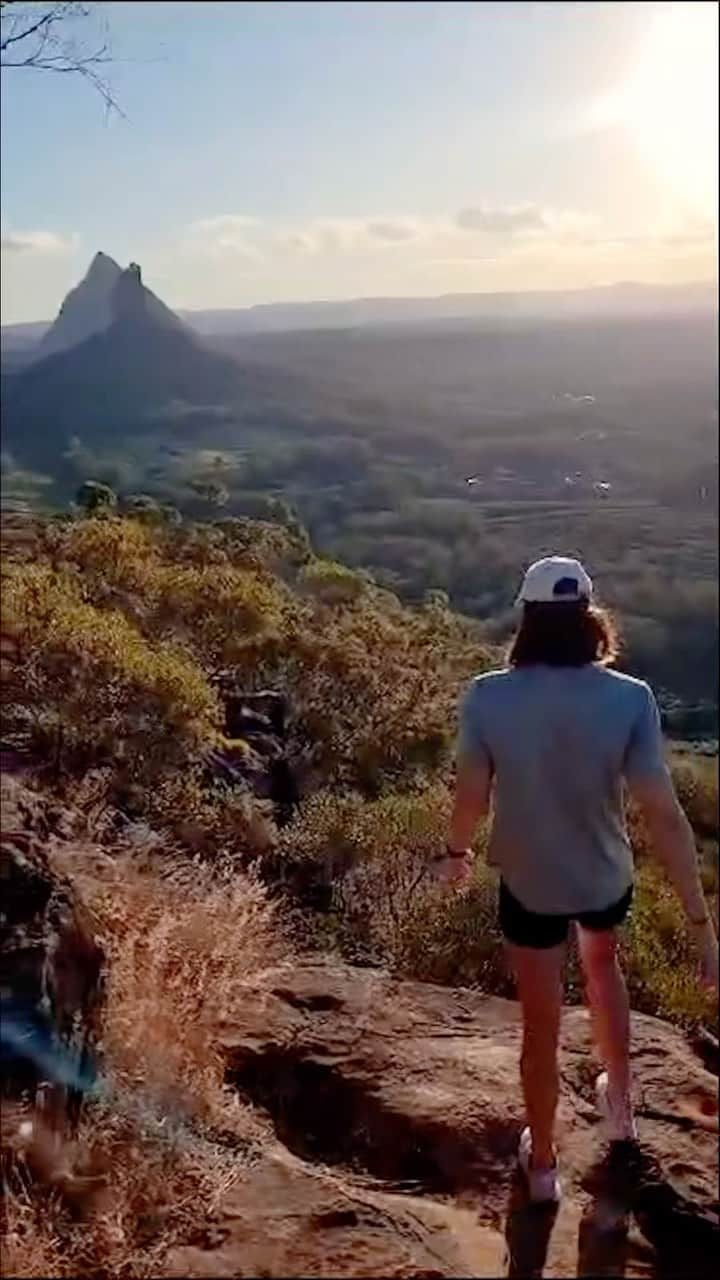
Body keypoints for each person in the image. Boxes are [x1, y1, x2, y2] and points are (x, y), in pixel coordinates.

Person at [438, 555, 718, 1205]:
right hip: (603, 876)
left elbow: (472, 795)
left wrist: (454, 854)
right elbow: (665, 815)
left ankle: (541, 1167)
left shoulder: (487, 695)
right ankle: (619, 1109)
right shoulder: (631, 698)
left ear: (528, 619)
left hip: (530, 879)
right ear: (590, 617)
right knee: (602, 965)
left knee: (541, 1023)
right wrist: (702, 927)